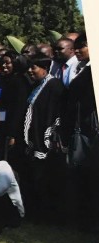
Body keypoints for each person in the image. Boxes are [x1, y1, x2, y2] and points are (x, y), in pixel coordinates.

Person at [60, 32, 99, 231]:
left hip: (90, 128)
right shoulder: (82, 69)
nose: (77, 50)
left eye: (82, 46)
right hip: (80, 128)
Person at [21, 53, 65, 222]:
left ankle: (46, 215)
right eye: (29, 67)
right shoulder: (38, 86)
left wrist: (49, 137)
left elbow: (56, 115)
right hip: (35, 139)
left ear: (45, 68)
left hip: (45, 140)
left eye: (34, 67)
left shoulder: (54, 86)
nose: (30, 71)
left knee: (44, 177)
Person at [0, 51, 31, 162]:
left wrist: (12, 134)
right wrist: (0, 123)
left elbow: (19, 109)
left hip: (16, 129)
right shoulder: (8, 80)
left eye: (7, 63)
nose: (4, 66)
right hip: (5, 126)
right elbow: (3, 107)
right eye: (2, 63)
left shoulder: (20, 82)